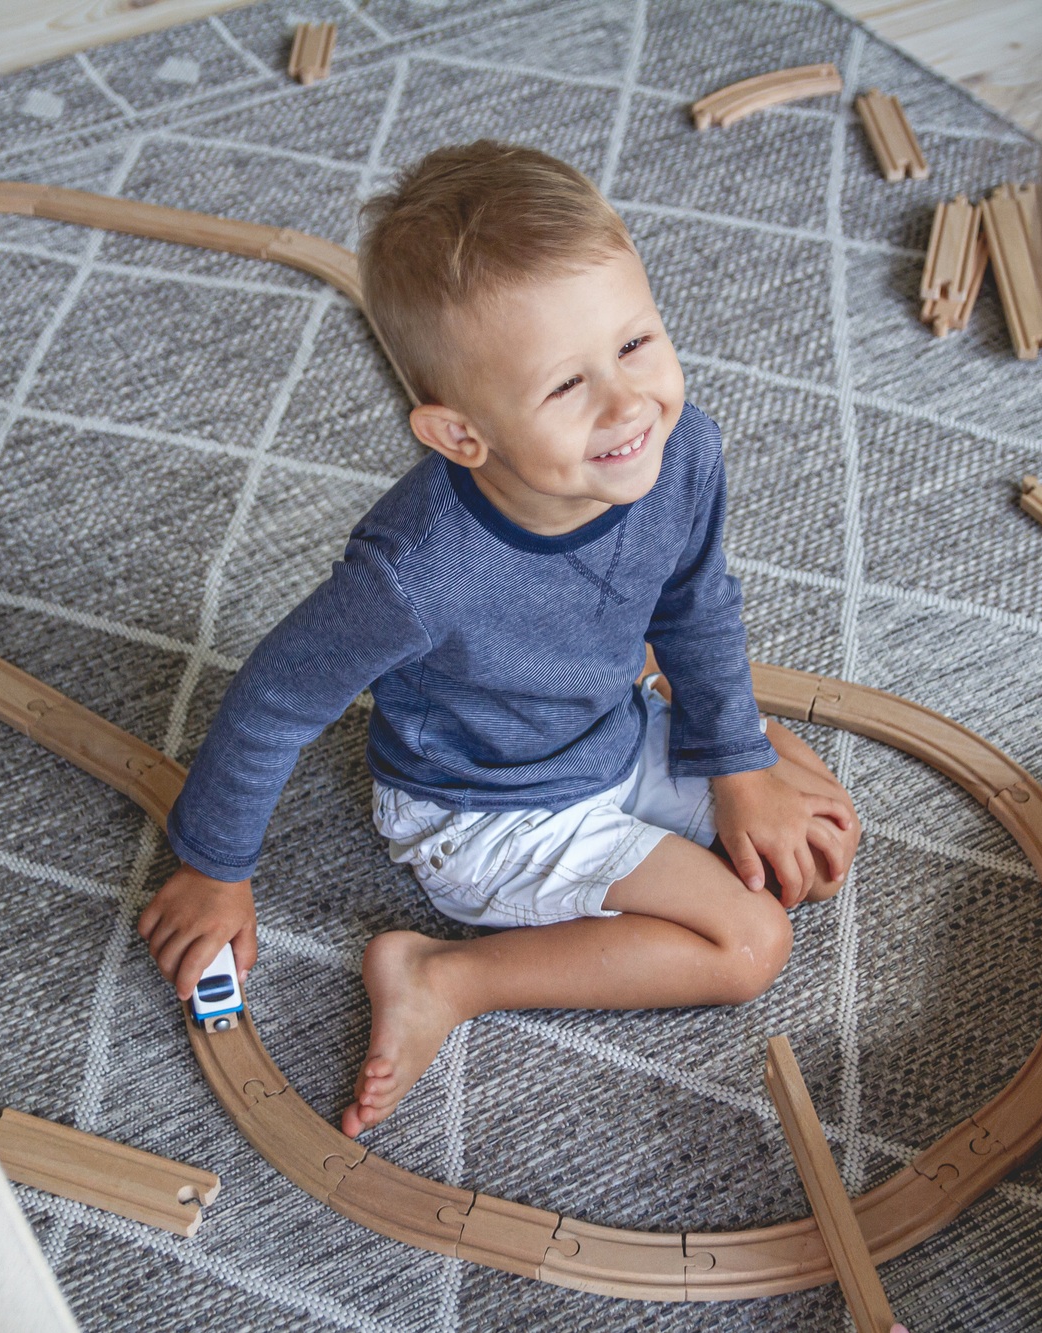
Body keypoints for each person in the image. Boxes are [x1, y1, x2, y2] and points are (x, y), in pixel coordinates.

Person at [138, 141, 860, 1138]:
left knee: (812, 816)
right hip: (487, 809)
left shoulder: (679, 448)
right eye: (566, 388)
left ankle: (691, 815)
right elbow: (275, 697)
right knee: (750, 942)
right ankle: (446, 973)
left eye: (636, 342)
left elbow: (694, 606)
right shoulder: (416, 569)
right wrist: (212, 867)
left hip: (610, 729)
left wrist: (737, 766)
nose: (627, 403)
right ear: (459, 437)